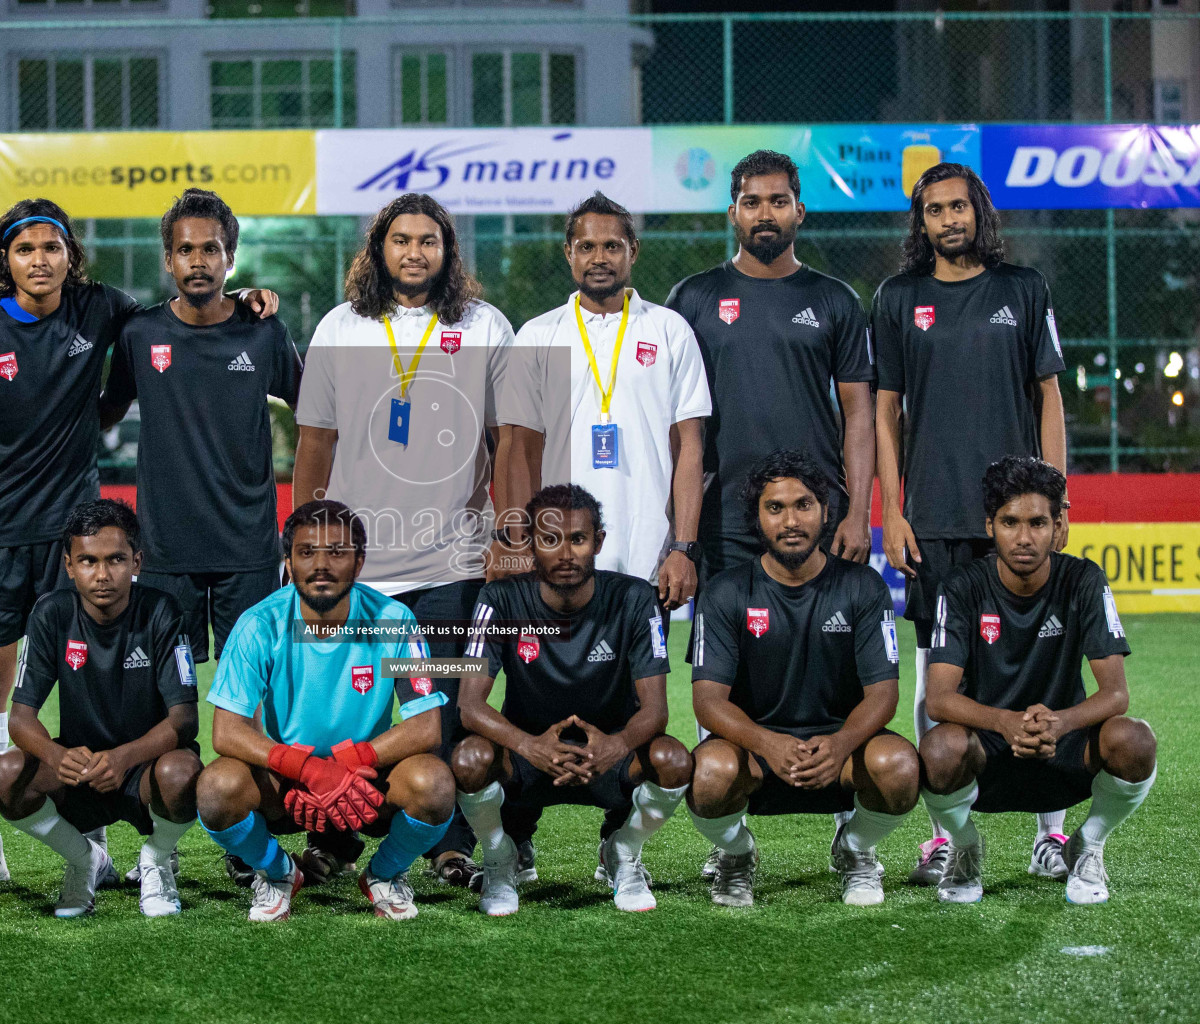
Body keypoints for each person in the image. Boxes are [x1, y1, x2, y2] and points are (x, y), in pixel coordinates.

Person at [0, 198, 276, 889]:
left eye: (52, 248)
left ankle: (99, 834)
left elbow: (182, 310)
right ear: (5, 262)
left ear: (70, 256)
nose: (40, 261)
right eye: (25, 251)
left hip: (77, 531)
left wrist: (248, 298)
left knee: (86, 676)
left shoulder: (103, 309)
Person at [291, 192, 522, 886]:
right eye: (401, 240)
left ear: (448, 251)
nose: (414, 252)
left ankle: (447, 844)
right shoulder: (341, 327)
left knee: (444, 706)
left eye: (429, 241)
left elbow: (508, 439)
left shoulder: (484, 326)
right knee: (352, 709)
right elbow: (314, 440)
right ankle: (338, 838)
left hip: (451, 560)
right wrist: (302, 539)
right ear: (378, 249)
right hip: (358, 568)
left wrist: (509, 532)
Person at [871, 163, 1070, 885]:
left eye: (959, 206)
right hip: (935, 520)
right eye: (934, 210)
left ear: (978, 212)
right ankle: (947, 834)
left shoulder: (1024, 289)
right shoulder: (897, 299)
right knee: (937, 677)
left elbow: (1049, 398)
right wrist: (890, 510)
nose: (948, 219)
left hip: (1016, 518)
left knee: (1035, 664)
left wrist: (1057, 500)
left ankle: (1052, 830)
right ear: (919, 223)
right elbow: (884, 414)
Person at [195, 500, 456, 922]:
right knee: (217, 787)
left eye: (337, 552)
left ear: (359, 562)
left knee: (435, 783)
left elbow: (426, 726)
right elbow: (227, 732)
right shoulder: (258, 624)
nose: (321, 564)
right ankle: (279, 873)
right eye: (306, 552)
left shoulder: (393, 619)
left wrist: (347, 763)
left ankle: (383, 876)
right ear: (288, 562)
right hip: (288, 784)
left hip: (366, 783)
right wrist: (305, 769)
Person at [918, 457, 1155, 905]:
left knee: (1135, 740)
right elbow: (939, 699)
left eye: (1037, 522)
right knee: (938, 749)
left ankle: (1088, 844)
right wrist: (1005, 722)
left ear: (1057, 526)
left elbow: (1116, 693)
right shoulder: (962, 585)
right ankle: (965, 847)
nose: (1024, 538)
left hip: (1063, 750)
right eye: (1009, 522)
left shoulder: (1083, 579)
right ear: (990, 525)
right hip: (990, 751)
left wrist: (1061, 723)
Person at [688, 450, 918, 907]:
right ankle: (736, 854)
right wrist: (768, 744)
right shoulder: (726, 591)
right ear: (757, 517)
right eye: (775, 508)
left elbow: (884, 694)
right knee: (708, 775)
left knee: (900, 767)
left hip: (842, 752)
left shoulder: (863, 586)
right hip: (756, 754)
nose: (790, 520)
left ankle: (855, 848)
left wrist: (840, 743)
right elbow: (708, 702)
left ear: (826, 512)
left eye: (803, 505)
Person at [454, 484, 690, 915]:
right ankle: (499, 858)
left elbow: (656, 710)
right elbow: (469, 705)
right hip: (529, 755)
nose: (565, 553)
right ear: (530, 543)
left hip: (610, 752)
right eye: (549, 540)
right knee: (469, 759)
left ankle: (623, 852)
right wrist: (529, 745)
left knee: (673, 760)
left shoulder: (635, 599)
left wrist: (615, 746)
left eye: (577, 539)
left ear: (598, 541)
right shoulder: (500, 599)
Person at [100, 188, 301, 668]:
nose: (197, 261)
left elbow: (312, 409)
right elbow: (105, 411)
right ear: (168, 260)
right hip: (166, 548)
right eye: (185, 249)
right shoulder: (140, 334)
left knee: (252, 685)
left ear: (230, 259)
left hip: (248, 546)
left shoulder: (263, 331)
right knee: (170, 694)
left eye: (210, 249)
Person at [665, 150, 874, 582]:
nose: (765, 214)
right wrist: (673, 519)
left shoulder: (836, 299)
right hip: (722, 515)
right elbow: (674, 423)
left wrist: (859, 514)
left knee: (818, 648)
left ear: (799, 211)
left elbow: (859, 415)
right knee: (728, 648)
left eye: (778, 202)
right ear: (732, 213)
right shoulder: (691, 298)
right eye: (751, 202)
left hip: (814, 511)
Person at [0, 499, 202, 918]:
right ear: (69, 565)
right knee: (5, 773)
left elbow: (185, 718)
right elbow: (20, 717)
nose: (102, 574)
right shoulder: (51, 613)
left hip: (145, 768)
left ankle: (156, 859)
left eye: (116, 559)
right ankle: (86, 859)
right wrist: (56, 755)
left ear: (136, 561)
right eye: (88, 561)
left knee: (183, 773)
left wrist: (124, 758)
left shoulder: (162, 610)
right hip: (80, 769)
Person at [502, 191, 712, 609]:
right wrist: (517, 542)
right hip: (557, 556)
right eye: (587, 247)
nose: (599, 257)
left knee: (643, 677)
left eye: (612, 246)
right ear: (569, 253)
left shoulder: (670, 330)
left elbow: (690, 447)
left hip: (648, 553)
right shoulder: (539, 336)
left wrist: (684, 547)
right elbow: (518, 450)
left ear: (633, 251)